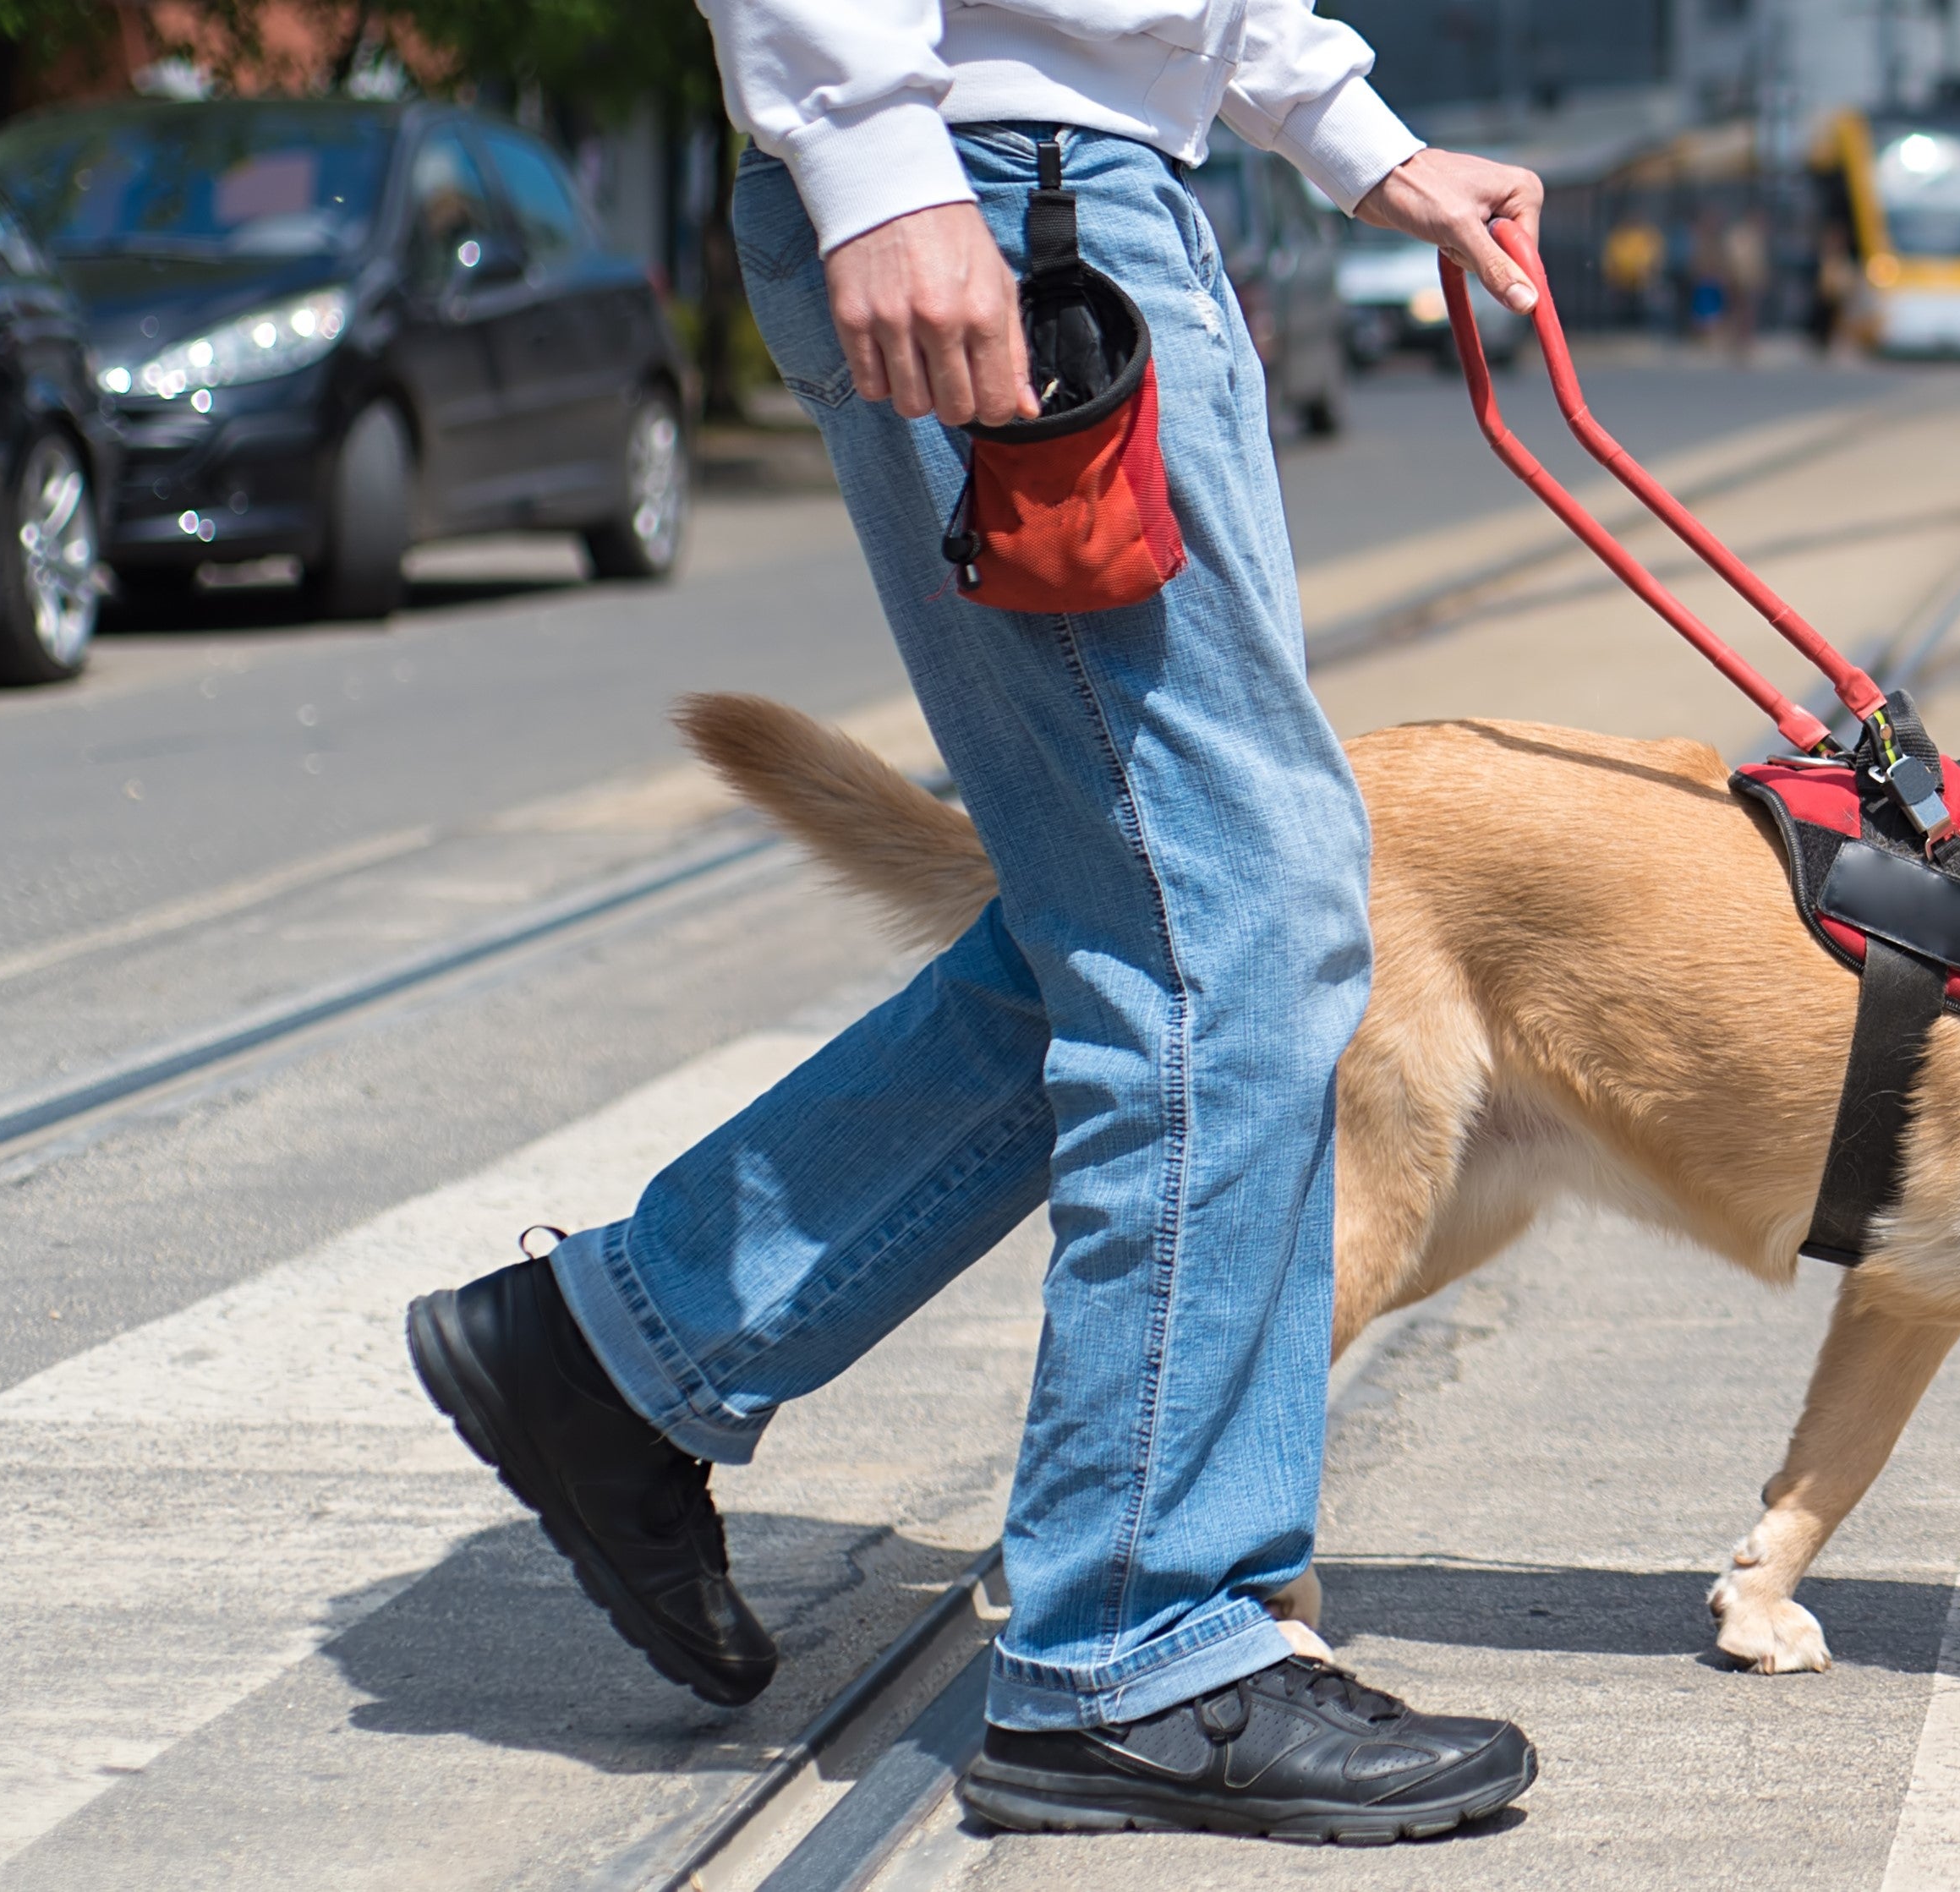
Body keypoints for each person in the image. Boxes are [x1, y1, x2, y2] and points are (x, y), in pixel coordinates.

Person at [399, 0, 1556, 1846]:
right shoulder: (943, 165)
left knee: (1180, 911)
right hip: (1005, 200)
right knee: (1227, 927)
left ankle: (628, 1349)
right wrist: (873, 150)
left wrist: (1351, 132)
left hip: (1089, 188)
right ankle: (1134, 1646)